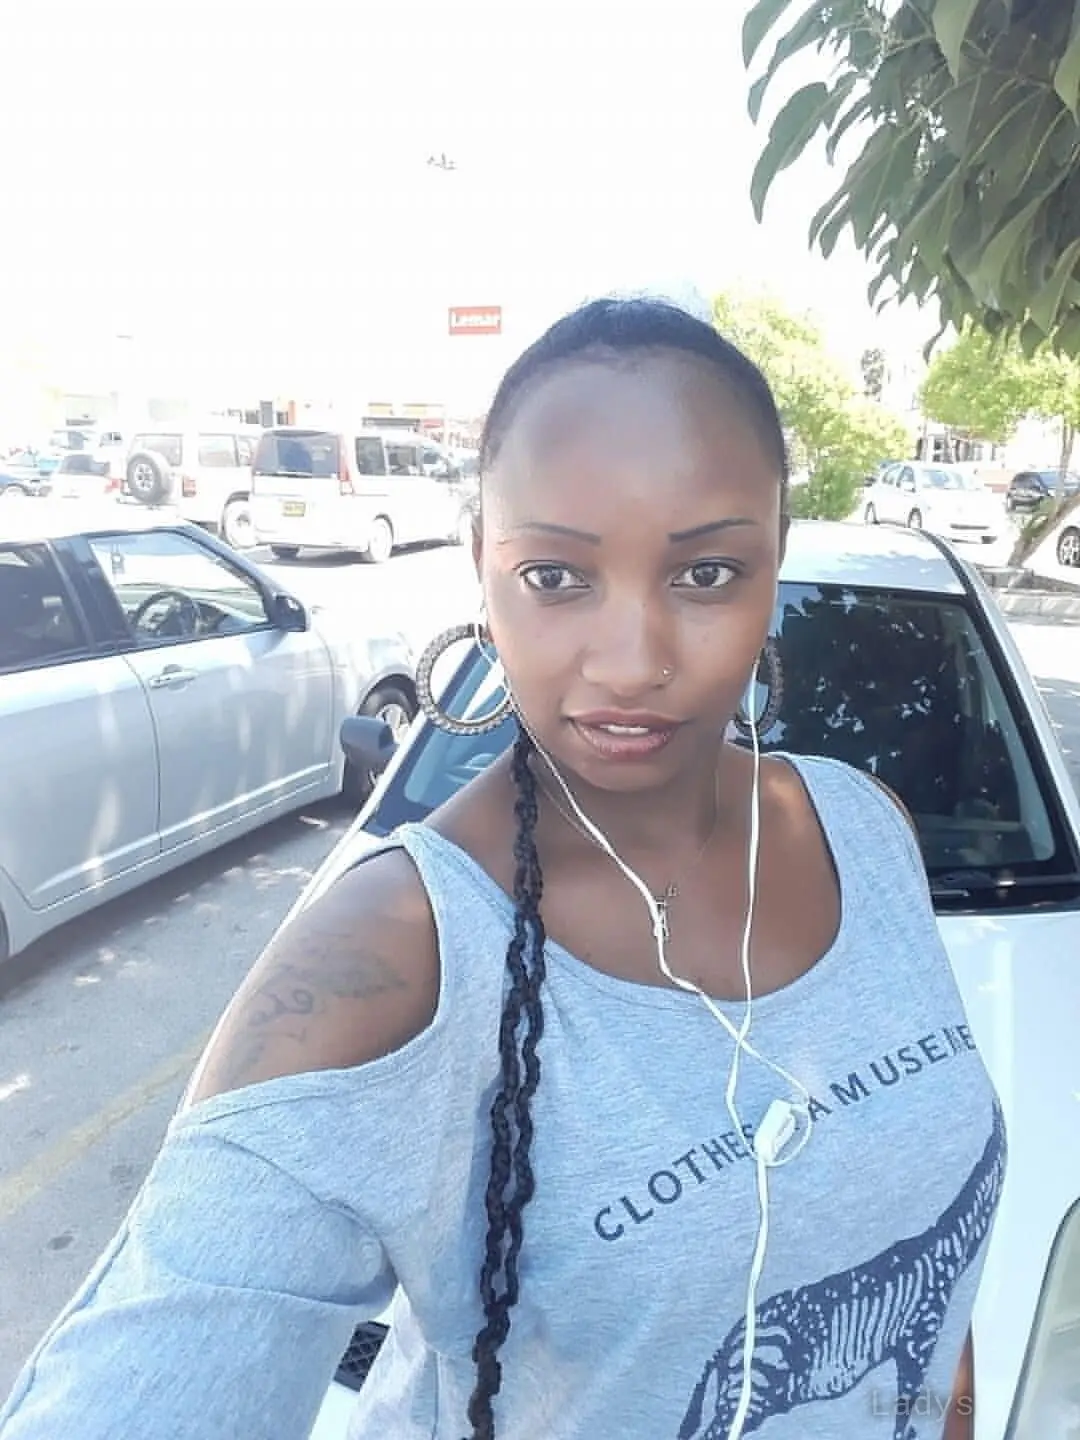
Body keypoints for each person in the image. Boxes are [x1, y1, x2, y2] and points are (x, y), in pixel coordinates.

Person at [0, 298, 1001, 1440]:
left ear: (777, 560)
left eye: (709, 573)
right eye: (557, 577)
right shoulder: (391, 960)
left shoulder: (864, 829)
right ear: (483, 563)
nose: (631, 663)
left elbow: (933, 1278)